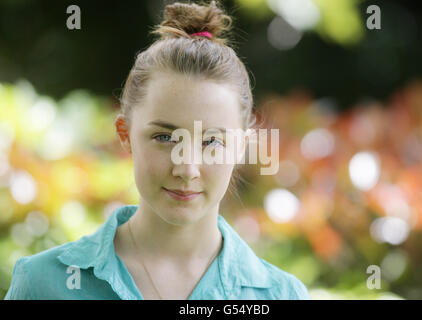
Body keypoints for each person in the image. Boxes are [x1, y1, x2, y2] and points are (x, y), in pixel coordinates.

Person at [4, 0, 310, 300]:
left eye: (211, 142)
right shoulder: (43, 284)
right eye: (165, 137)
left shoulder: (281, 295)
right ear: (125, 134)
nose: (187, 169)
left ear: (241, 146)